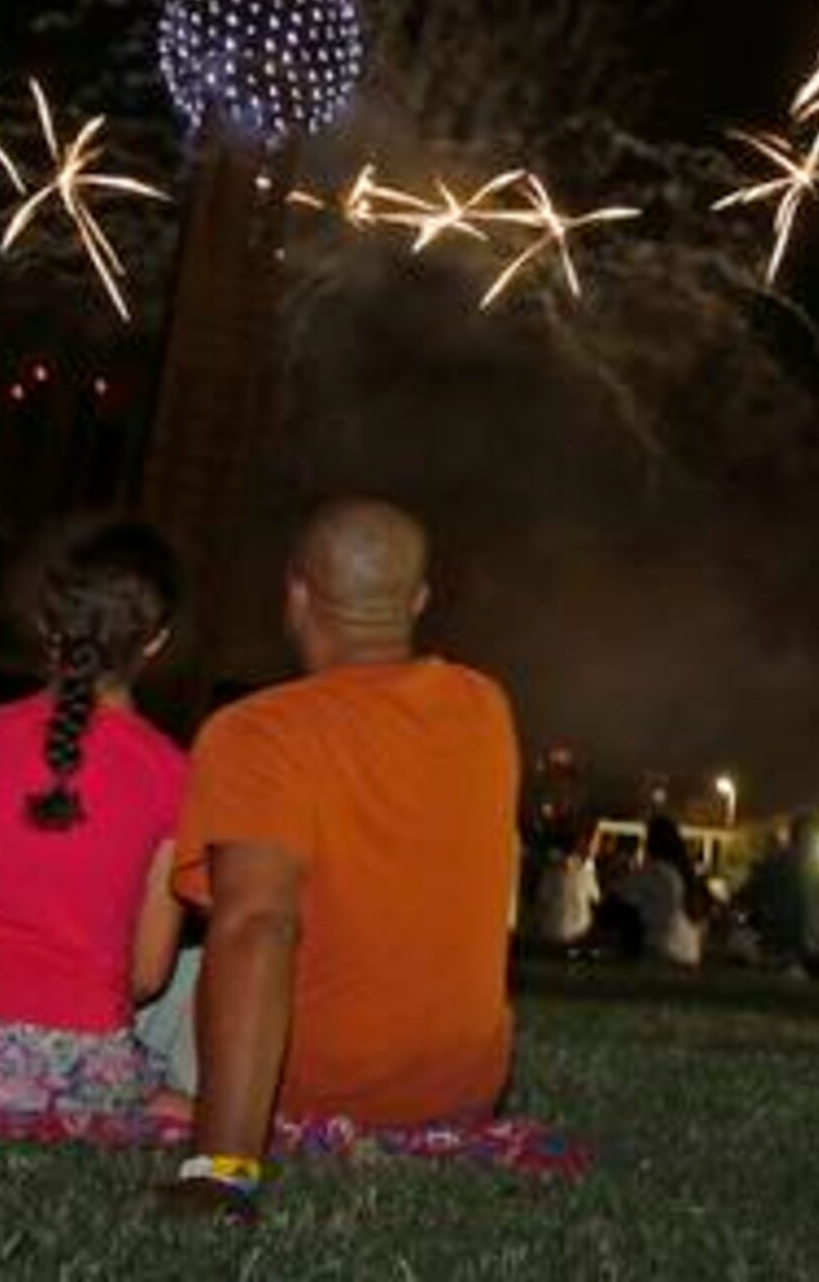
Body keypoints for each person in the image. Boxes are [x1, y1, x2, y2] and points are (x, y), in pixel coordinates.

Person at [163, 499, 519, 1220]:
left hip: (320, 1092)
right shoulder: (485, 706)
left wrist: (222, 1165)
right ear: (417, 602)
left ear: (295, 590)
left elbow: (259, 925)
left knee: (162, 973)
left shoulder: (257, 732)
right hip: (458, 1093)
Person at [0, 519, 193, 1131]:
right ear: (156, 642)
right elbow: (147, 975)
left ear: (45, 626)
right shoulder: (174, 775)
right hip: (81, 1062)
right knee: (195, 1112)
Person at [619, 811, 705, 967]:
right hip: (689, 955)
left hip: (660, 952)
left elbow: (617, 906)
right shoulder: (688, 876)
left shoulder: (653, 872)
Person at [523, 821, 598, 951]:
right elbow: (595, 898)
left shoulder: (550, 873)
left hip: (551, 933)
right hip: (579, 935)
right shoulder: (585, 873)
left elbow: (540, 901)